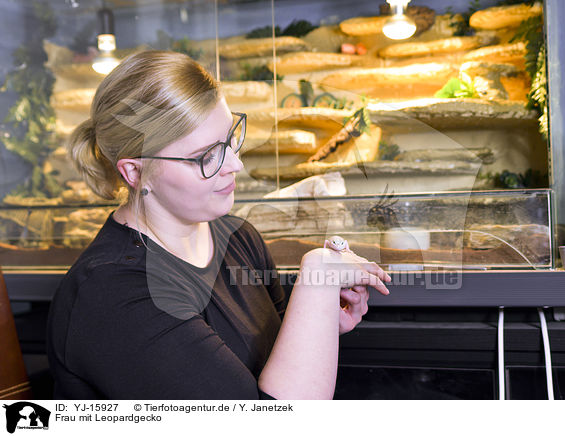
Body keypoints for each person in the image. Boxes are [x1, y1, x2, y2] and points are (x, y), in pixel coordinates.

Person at [46, 50, 391, 400]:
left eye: (229, 139)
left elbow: (281, 366)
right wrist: (317, 275)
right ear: (134, 172)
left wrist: (320, 323)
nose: (234, 164)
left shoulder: (238, 237)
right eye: (205, 156)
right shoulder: (114, 292)